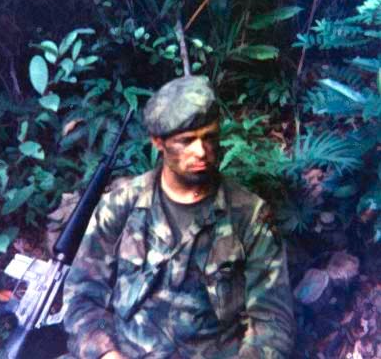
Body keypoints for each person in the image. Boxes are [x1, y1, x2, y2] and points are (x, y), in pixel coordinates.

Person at [62, 75, 295, 358]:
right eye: (186, 141)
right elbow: (82, 296)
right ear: (158, 142)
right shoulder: (121, 205)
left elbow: (272, 322)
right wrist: (105, 353)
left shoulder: (249, 215)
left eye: (209, 137)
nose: (201, 151)